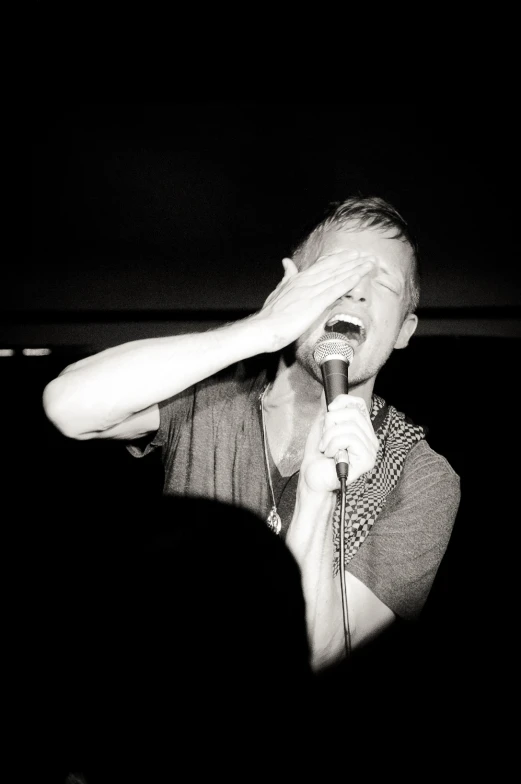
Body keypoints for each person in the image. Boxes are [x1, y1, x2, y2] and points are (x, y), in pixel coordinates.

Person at [43, 195, 460, 673]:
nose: (356, 292)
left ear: (405, 329)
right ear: (290, 287)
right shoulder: (210, 395)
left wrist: (315, 498)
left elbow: (316, 654)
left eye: (382, 283)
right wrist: (263, 328)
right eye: (338, 271)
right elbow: (67, 406)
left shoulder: (422, 477)